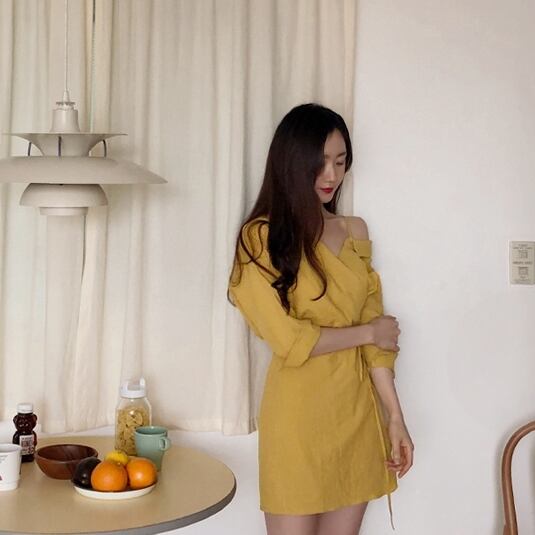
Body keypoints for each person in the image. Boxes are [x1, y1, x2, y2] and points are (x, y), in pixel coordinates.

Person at [228, 103, 413, 535]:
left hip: (356, 413)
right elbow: (289, 340)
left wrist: (395, 416)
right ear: (292, 163)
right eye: (321, 162)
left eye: (341, 162)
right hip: (298, 416)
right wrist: (368, 332)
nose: (331, 175)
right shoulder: (261, 237)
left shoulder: (354, 230)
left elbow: (380, 345)